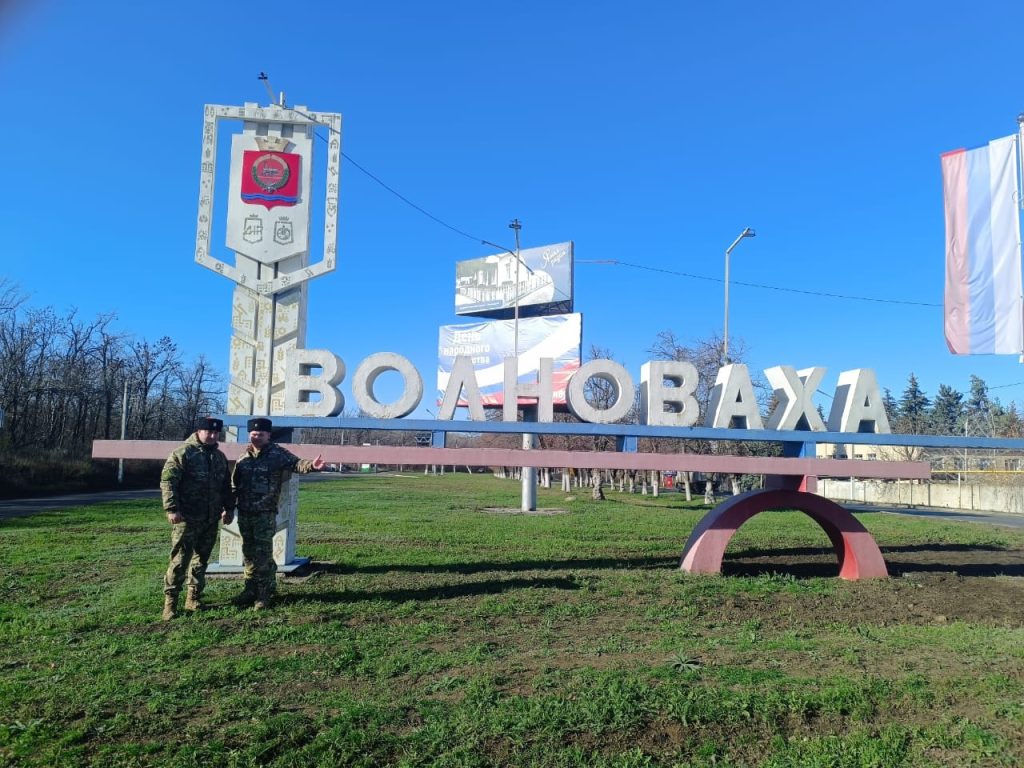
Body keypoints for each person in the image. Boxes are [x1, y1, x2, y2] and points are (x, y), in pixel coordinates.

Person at [231, 417, 324, 610]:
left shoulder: (277, 454)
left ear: (268, 435)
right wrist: (229, 507)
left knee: (263, 554)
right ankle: (250, 589)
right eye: (254, 434)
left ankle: (264, 594)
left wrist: (312, 466)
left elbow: (296, 464)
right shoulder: (243, 457)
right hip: (245, 512)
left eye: (261, 434)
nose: (257, 437)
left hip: (264, 513)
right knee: (248, 553)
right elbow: (234, 484)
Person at [160, 416, 234, 621]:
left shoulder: (219, 457)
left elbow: (225, 486)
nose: (212, 436)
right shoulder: (183, 453)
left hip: (210, 518)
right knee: (180, 561)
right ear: (199, 432)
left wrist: (228, 508)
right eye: (208, 432)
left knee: (201, 560)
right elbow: (168, 482)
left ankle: (193, 598)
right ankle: (170, 602)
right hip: (187, 518)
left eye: (216, 433)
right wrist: (172, 508)